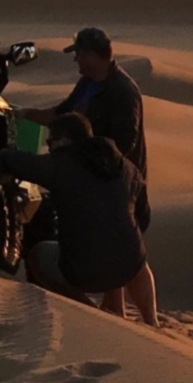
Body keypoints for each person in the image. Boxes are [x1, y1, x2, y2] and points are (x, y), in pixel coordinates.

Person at [0, 112, 156, 323]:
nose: (49, 147)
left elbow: (23, 163)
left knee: (37, 255)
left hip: (82, 269)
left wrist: (0, 155)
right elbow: (143, 217)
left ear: (64, 140)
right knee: (133, 256)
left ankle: (91, 312)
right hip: (128, 264)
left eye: (50, 141)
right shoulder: (128, 168)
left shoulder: (62, 163)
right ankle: (150, 319)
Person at [57, 26, 149, 231]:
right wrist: (23, 113)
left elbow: (124, 145)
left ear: (91, 55)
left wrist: (92, 164)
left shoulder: (123, 92)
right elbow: (62, 115)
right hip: (90, 188)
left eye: (78, 54)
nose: (76, 60)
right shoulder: (88, 83)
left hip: (117, 196)